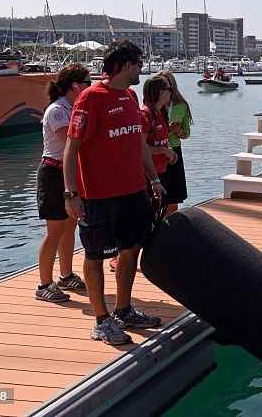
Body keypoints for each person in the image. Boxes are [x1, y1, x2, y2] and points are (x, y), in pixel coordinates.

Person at [63, 40, 164, 346]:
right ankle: (101, 320)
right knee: (95, 255)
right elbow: (71, 148)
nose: (142, 69)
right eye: (138, 64)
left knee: (130, 249)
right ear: (123, 66)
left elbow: (138, 143)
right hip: (98, 195)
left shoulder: (132, 96)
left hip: (133, 191)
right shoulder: (90, 98)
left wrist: (154, 179)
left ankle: (123, 309)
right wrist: (71, 193)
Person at [35, 63, 93, 303]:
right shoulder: (58, 110)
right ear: (75, 86)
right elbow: (70, 142)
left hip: (69, 172)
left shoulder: (74, 107)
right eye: (88, 83)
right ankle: (44, 284)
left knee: (70, 225)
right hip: (53, 173)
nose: (91, 87)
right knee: (55, 230)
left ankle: (66, 275)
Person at [140, 74, 178, 219]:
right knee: (149, 215)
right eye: (170, 89)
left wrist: (169, 151)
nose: (171, 92)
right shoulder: (145, 115)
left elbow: (159, 139)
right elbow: (139, 146)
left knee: (161, 211)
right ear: (161, 92)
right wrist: (162, 150)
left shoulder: (160, 113)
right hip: (147, 173)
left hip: (161, 170)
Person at [155, 70, 192, 216]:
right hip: (156, 152)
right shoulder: (151, 105)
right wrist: (167, 131)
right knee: (155, 199)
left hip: (174, 151)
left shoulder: (181, 105)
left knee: (173, 199)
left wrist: (177, 131)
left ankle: (168, 232)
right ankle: (154, 233)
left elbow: (186, 133)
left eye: (165, 86)